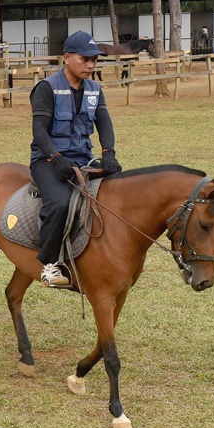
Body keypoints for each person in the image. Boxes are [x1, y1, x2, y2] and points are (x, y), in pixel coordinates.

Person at [29, 31, 122, 288]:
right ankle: (50, 265)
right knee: (60, 203)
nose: (91, 65)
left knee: (119, 188)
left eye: (94, 60)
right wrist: (56, 158)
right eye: (85, 59)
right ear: (67, 57)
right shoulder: (47, 88)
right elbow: (39, 130)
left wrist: (108, 153)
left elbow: (104, 123)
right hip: (48, 161)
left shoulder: (94, 89)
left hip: (84, 158)